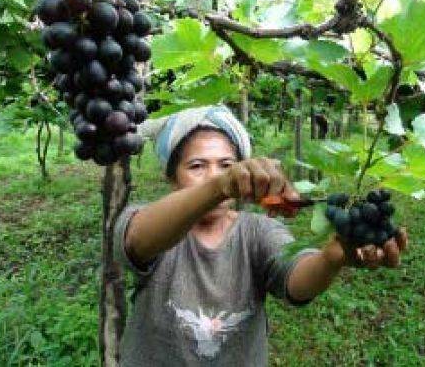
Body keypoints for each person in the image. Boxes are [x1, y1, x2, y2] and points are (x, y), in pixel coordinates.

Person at [114, 105, 408, 366]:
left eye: (226, 165)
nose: (215, 174)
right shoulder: (154, 222)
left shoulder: (258, 231)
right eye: (197, 166)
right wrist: (220, 186)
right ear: (172, 178)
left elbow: (295, 280)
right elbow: (138, 239)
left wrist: (333, 257)